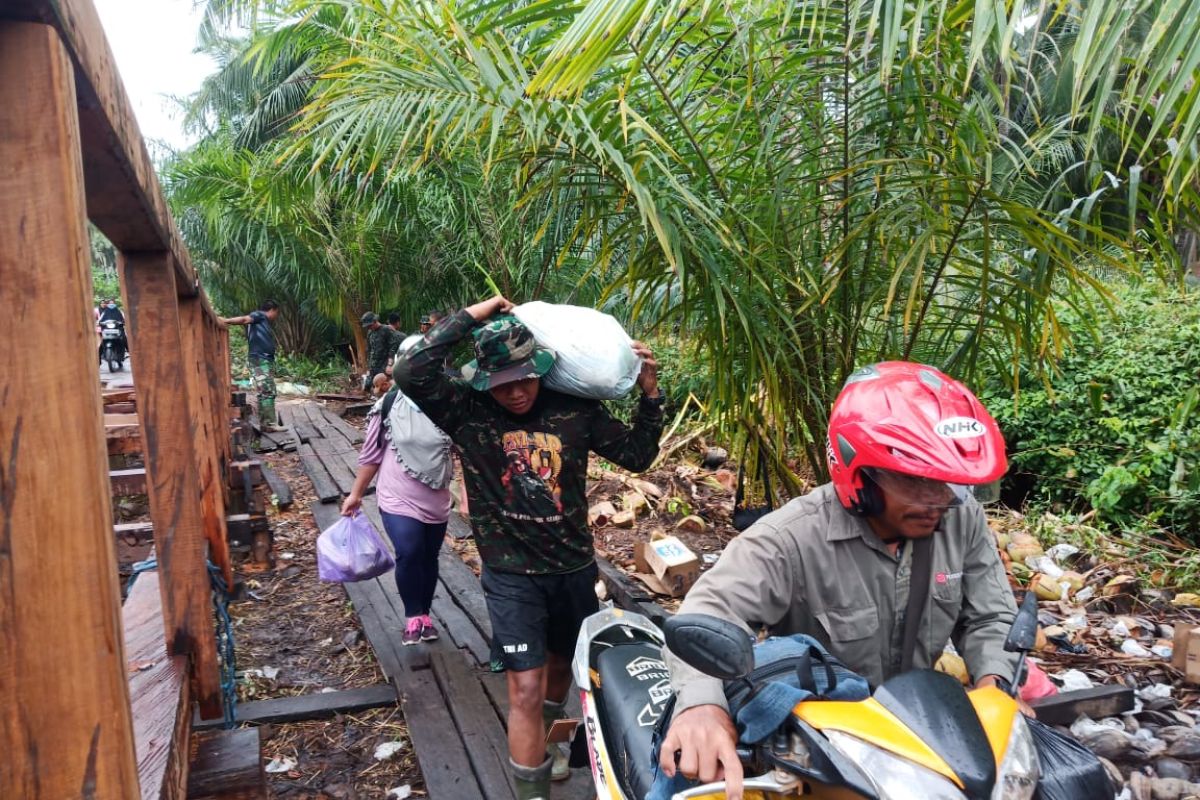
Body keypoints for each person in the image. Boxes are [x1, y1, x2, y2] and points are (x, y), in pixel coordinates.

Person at [658, 361, 1024, 800]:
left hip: (919, 745)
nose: (939, 500)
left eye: (949, 484)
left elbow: (990, 617)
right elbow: (709, 612)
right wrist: (702, 706)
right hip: (820, 756)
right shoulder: (788, 539)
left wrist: (994, 690)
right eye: (918, 482)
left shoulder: (961, 519)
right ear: (859, 476)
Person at [394, 295, 665, 800]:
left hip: (573, 568)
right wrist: (478, 312)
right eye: (502, 384)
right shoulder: (466, 410)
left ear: (540, 367)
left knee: (561, 665)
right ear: (484, 382)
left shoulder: (575, 410)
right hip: (510, 573)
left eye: (524, 378)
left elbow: (638, 455)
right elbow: (411, 368)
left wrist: (650, 396)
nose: (515, 393)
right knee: (522, 686)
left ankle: (550, 740)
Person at [342, 335, 453, 647]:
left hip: (436, 494)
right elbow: (371, 455)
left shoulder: (449, 404)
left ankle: (426, 616)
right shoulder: (388, 404)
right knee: (409, 549)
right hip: (397, 494)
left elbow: (464, 450)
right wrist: (355, 494)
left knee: (429, 556)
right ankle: (412, 615)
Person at [220, 300, 281, 429]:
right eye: (277, 313)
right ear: (273, 310)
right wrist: (225, 321)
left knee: (265, 390)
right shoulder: (259, 315)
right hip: (260, 360)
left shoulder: (262, 320)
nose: (276, 316)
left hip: (262, 360)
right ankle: (269, 424)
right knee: (267, 390)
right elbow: (244, 319)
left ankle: (267, 423)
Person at [362, 311, 401, 391]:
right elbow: (370, 350)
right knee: (368, 386)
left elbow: (392, 347)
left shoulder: (386, 330)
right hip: (373, 366)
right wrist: (369, 367)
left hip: (384, 365)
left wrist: (390, 364)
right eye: (367, 326)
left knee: (383, 387)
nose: (368, 328)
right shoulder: (370, 333)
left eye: (370, 325)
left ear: (375, 321)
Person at [97, 298, 128, 363]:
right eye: (110, 303)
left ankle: (130, 352)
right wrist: (100, 323)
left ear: (115, 303)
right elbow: (100, 320)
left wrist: (123, 322)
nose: (111, 304)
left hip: (118, 330)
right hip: (108, 331)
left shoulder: (118, 311)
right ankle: (98, 360)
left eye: (112, 303)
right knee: (102, 344)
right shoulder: (105, 312)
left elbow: (123, 319)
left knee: (124, 340)